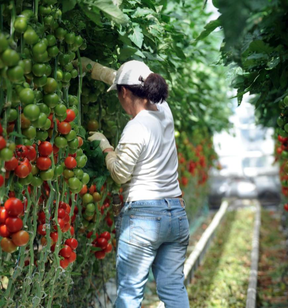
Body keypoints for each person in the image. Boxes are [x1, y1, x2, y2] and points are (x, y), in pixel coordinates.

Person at [84, 59, 190, 308]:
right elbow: (127, 79)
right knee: (173, 288)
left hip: (144, 218)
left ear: (124, 92)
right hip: (176, 214)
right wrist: (97, 71)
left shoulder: (135, 127)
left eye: (118, 94)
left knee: (130, 293)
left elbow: (121, 174)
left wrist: (106, 147)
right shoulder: (164, 110)